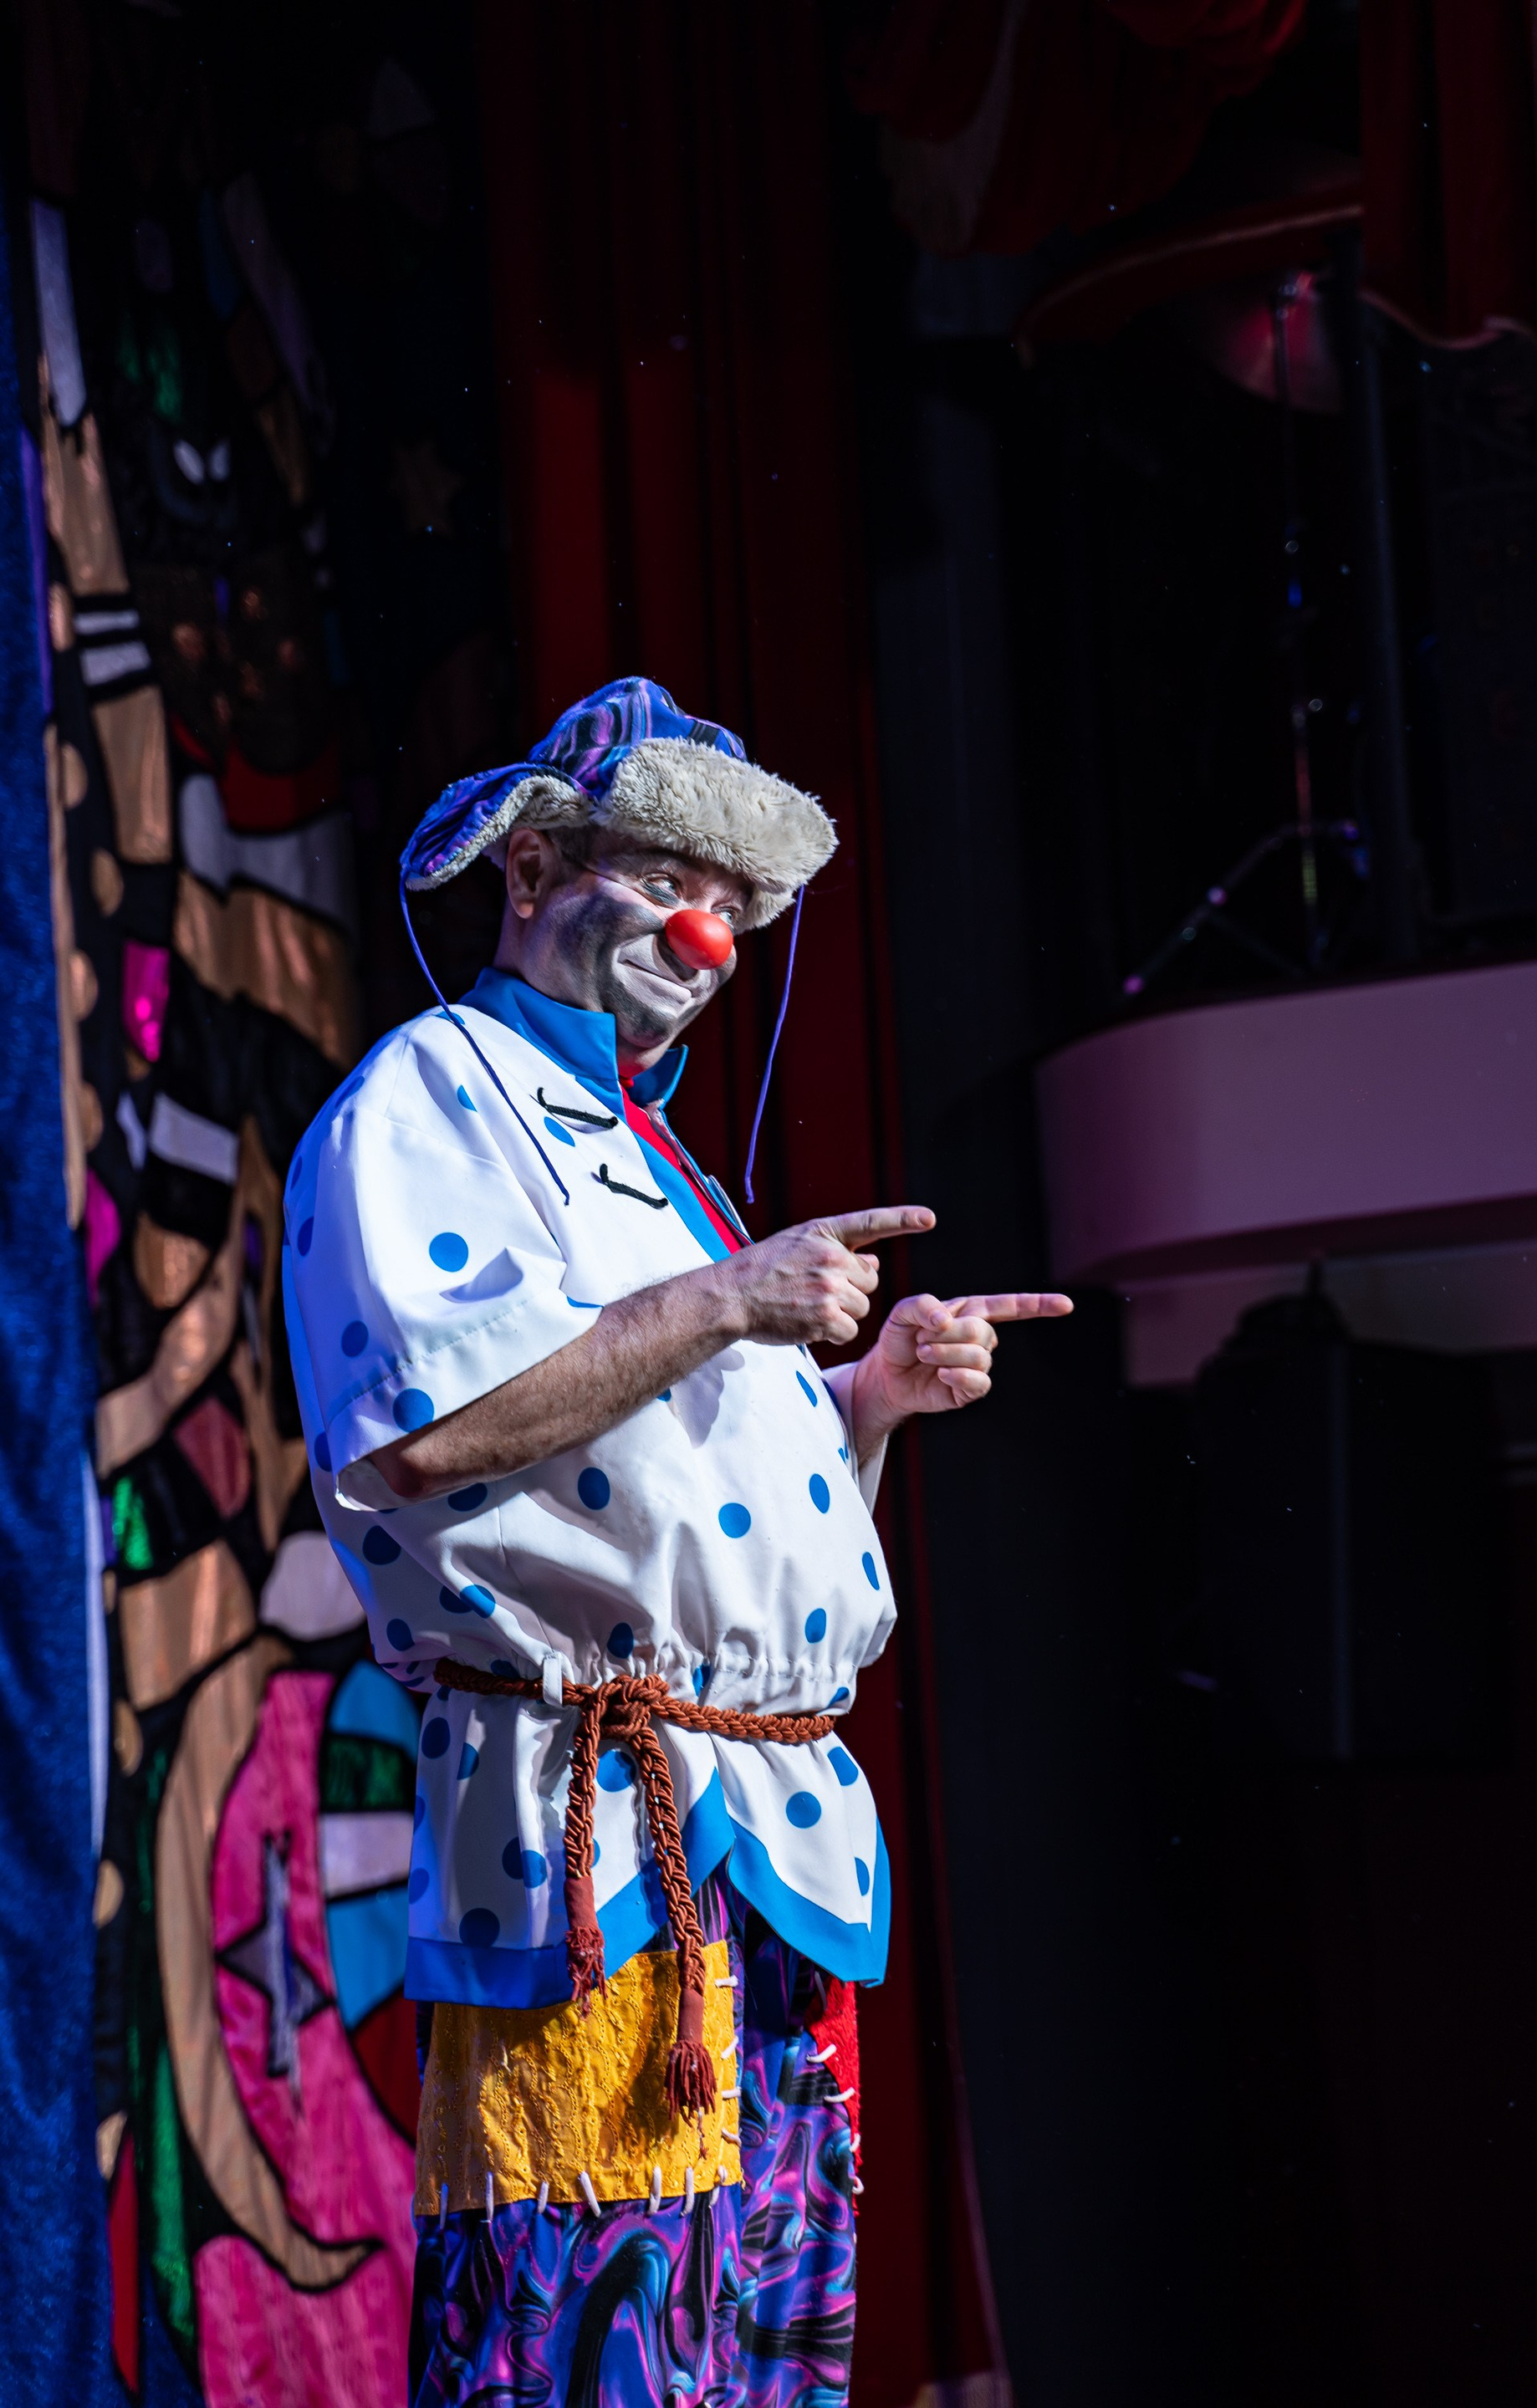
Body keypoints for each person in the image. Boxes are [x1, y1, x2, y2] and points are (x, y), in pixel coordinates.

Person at [283, 677, 1070, 2407]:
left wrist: (866, 1404)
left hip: (762, 1842)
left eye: (733, 907)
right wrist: (728, 1300)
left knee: (761, 2357)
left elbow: (699, 1516)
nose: (708, 940)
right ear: (530, 870)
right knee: (588, 2345)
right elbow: (419, 1436)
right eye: (659, 883)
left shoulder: (652, 1159)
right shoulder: (434, 1094)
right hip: (596, 1846)